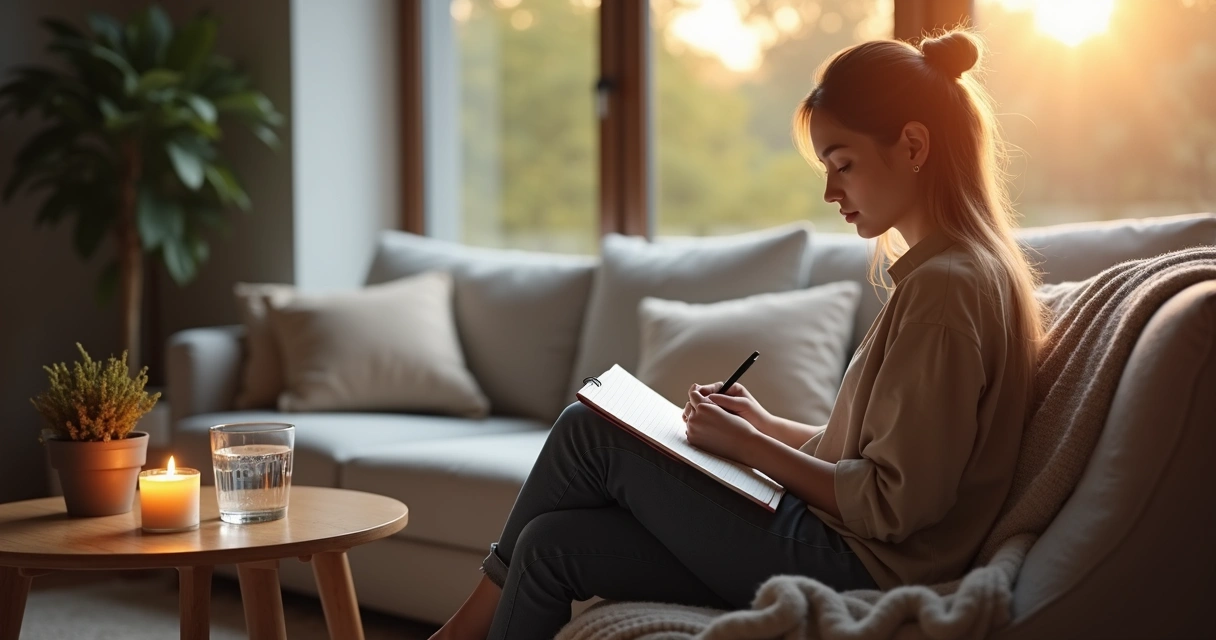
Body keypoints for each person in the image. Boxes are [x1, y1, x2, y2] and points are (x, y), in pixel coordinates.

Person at [429, 28, 1045, 640]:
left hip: (865, 568)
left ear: (912, 144)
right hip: (855, 549)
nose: (831, 191)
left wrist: (749, 449)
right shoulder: (953, 275)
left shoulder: (946, 289)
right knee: (549, 544)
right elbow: (875, 455)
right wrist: (766, 428)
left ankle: (461, 632)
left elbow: (893, 505)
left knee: (592, 432)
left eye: (843, 164)